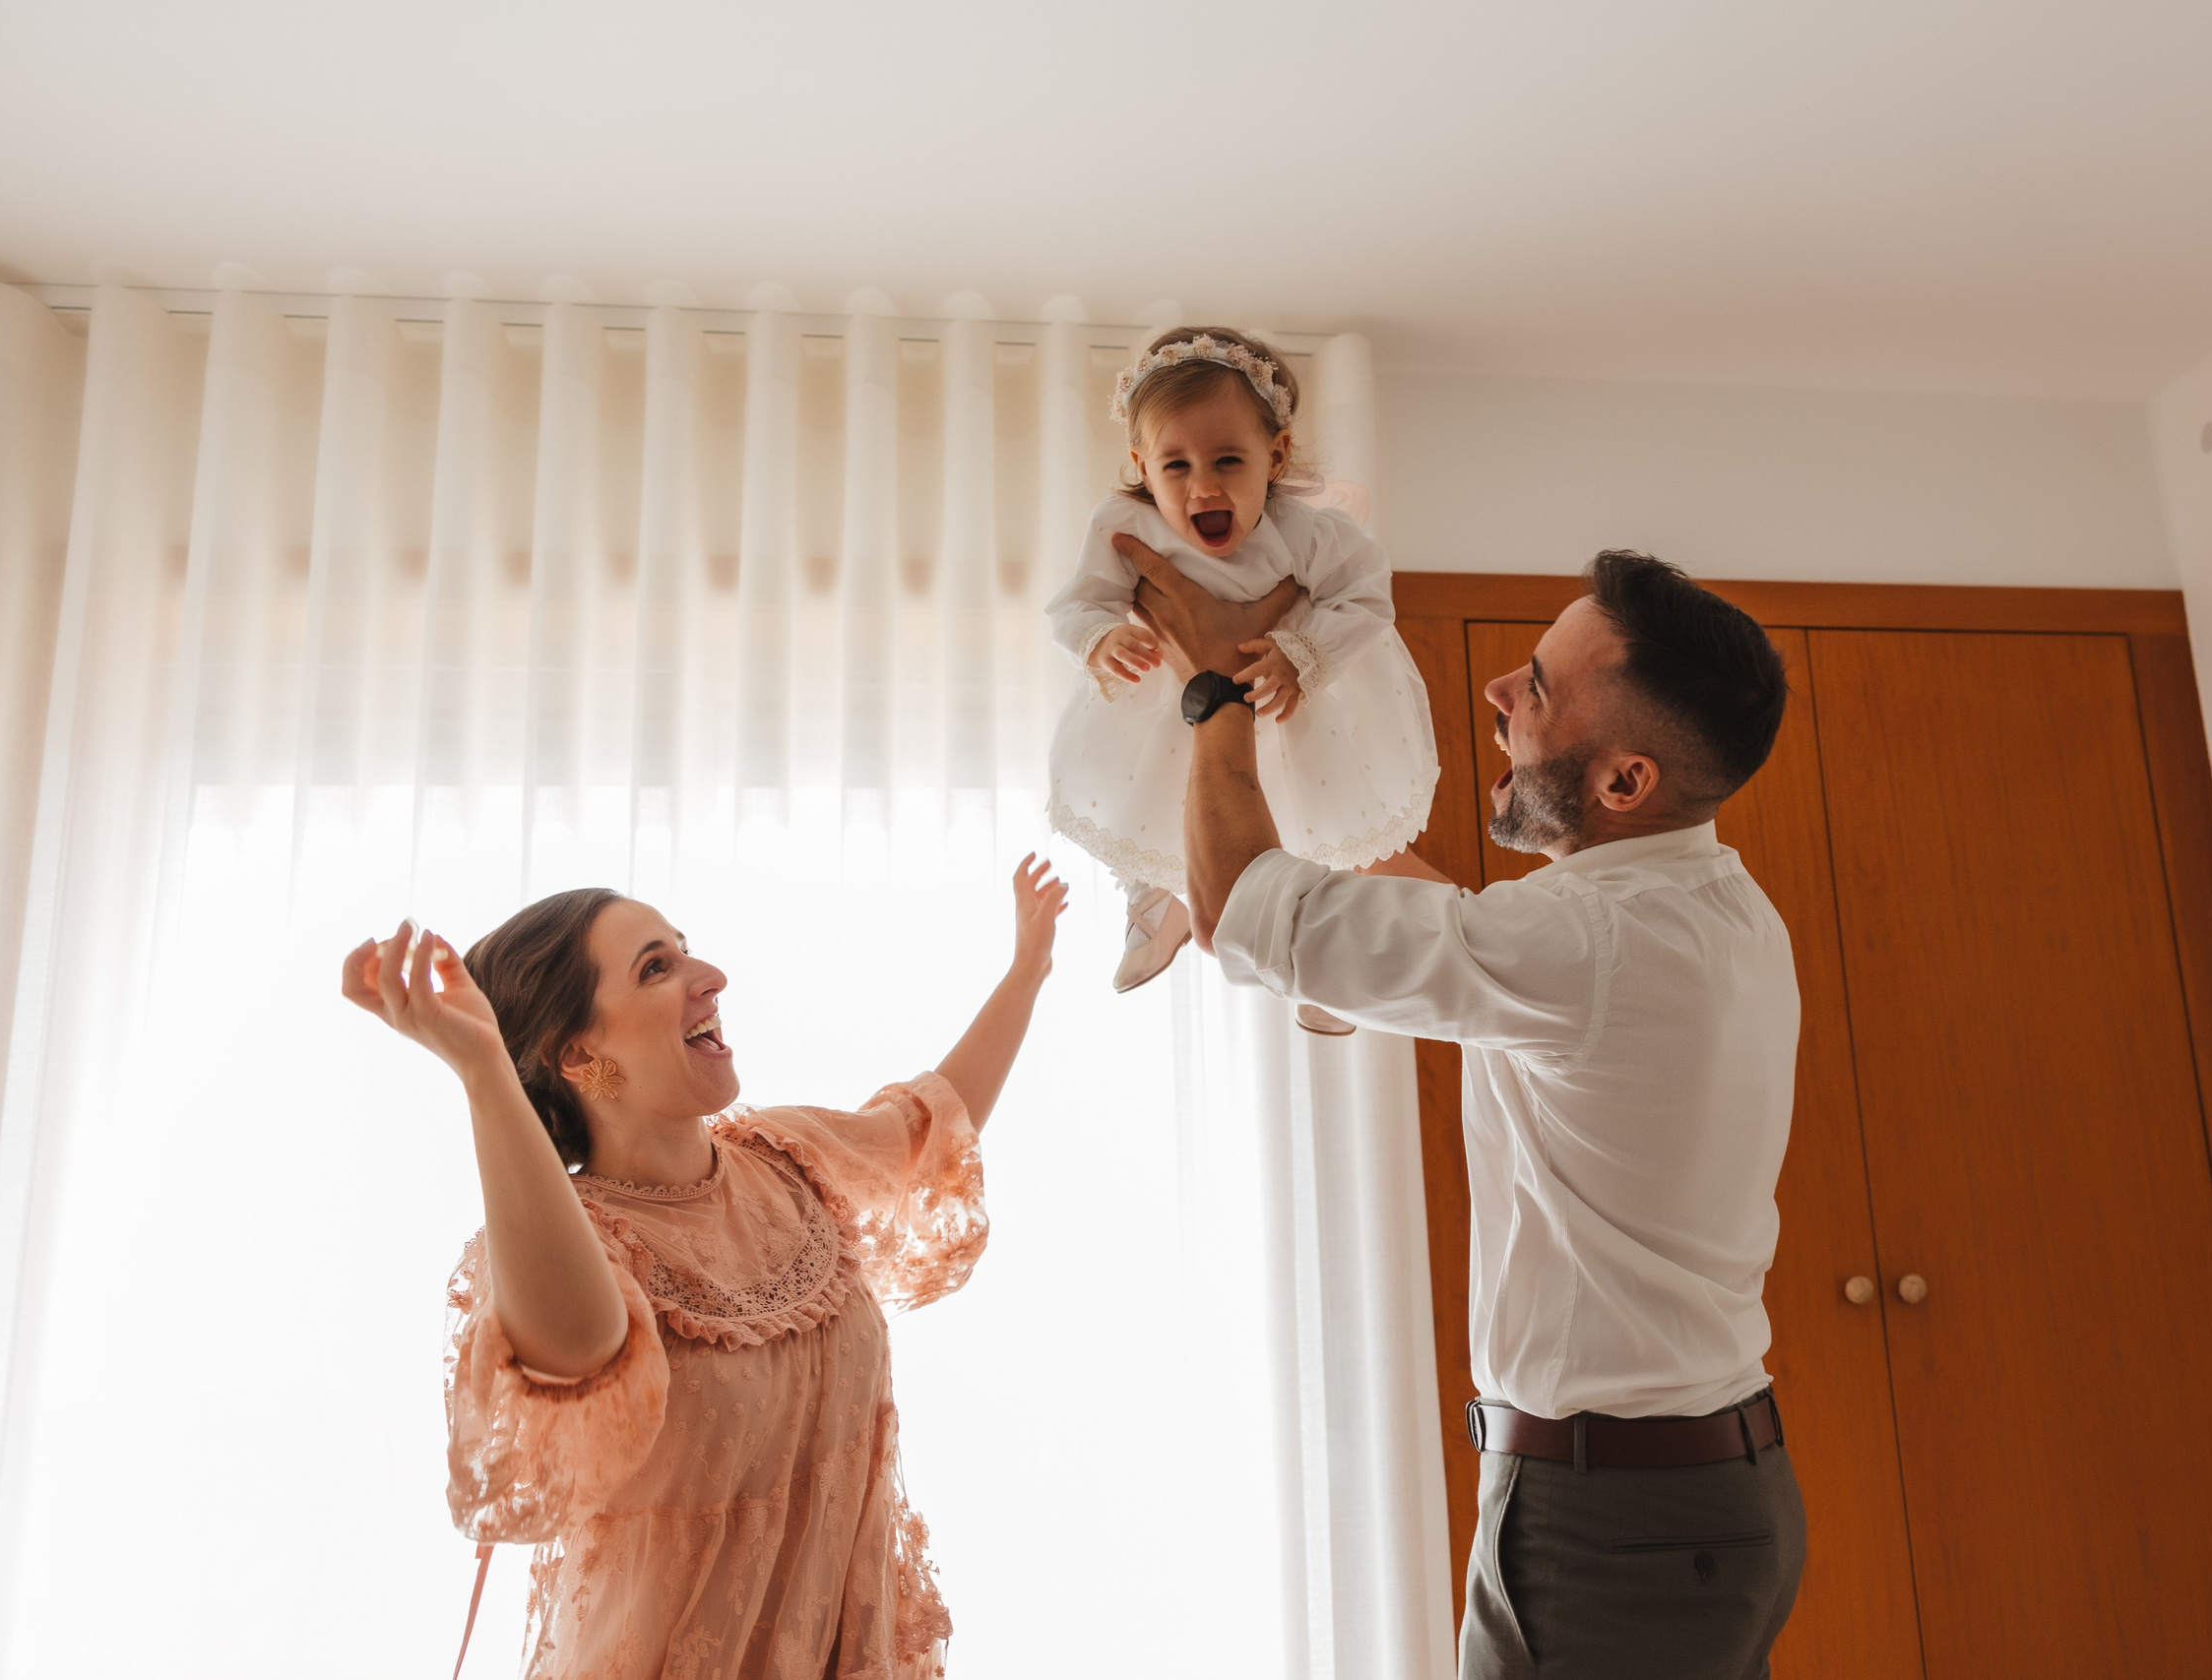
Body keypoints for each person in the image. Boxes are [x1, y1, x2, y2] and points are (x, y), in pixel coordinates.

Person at [1126, 542, 1806, 1680]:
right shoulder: (1706, 902)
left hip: (1618, 1524)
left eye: (1535, 686)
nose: (1496, 690)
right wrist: (1318, 789)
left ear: (1625, 782)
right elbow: (1464, 934)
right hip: (1685, 1495)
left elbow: (1239, 911)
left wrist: (1215, 694)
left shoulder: (1586, 945)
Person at [339, 856, 1070, 1680]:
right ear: (578, 1057)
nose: (712, 977)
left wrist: (1028, 969)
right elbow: (578, 1348)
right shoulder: (569, 1242)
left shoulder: (787, 1162)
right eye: (658, 967)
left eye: (687, 951)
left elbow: (928, 1121)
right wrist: (483, 1072)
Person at [1043, 326, 1437, 1031]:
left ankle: (1325, 971)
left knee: (1325, 827)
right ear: (1140, 463)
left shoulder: (1306, 529)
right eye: (1175, 465)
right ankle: (1156, 903)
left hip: (1293, 701)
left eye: (1229, 459)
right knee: (1150, 800)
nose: (1203, 486)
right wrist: (1101, 638)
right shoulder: (1124, 525)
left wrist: (1302, 653)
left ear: (1275, 454)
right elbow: (1078, 602)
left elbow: (1366, 596)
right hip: (1164, 699)